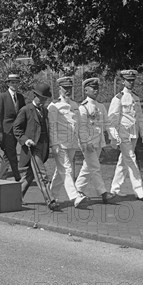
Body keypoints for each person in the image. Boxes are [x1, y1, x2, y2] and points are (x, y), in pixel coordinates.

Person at [13, 82, 59, 211]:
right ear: (35, 95)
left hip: (43, 147)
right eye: (41, 98)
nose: (43, 101)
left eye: (45, 99)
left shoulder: (44, 110)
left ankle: (15, 197)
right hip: (32, 148)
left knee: (30, 175)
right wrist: (26, 140)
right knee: (41, 174)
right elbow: (16, 129)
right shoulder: (26, 110)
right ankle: (50, 200)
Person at [47, 77, 89, 208]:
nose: (68, 91)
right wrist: (54, 144)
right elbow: (52, 127)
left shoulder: (75, 105)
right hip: (60, 144)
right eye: (65, 88)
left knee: (60, 172)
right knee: (66, 169)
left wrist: (83, 141)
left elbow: (79, 126)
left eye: (70, 88)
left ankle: (51, 195)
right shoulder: (54, 106)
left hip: (72, 143)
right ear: (59, 89)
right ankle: (75, 197)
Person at [108, 70, 143, 201]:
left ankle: (114, 189)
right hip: (123, 133)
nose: (131, 82)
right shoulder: (118, 98)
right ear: (123, 81)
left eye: (132, 80)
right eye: (128, 80)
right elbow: (112, 119)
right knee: (131, 158)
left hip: (133, 133)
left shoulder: (135, 98)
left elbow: (140, 117)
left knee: (123, 161)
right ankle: (139, 190)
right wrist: (114, 136)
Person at [76, 78, 116, 203]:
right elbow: (81, 127)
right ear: (86, 90)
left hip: (98, 142)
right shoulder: (83, 107)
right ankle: (103, 193)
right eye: (93, 88)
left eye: (97, 88)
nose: (96, 90)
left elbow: (107, 123)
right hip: (88, 143)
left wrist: (114, 136)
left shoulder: (100, 106)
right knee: (95, 167)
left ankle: (77, 190)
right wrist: (86, 142)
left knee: (88, 167)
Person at [0, 74, 26, 181]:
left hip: (17, 130)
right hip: (6, 131)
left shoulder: (20, 97)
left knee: (8, 155)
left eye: (16, 82)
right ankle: (17, 177)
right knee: (11, 153)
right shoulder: (2, 97)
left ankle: (2, 177)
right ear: (8, 84)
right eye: (12, 82)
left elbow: (23, 114)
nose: (14, 85)